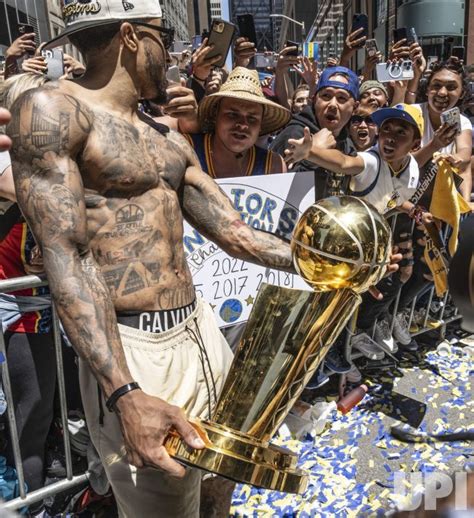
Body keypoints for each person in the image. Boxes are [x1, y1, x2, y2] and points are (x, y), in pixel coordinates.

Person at [6, 2, 298, 516]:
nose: (173, 55)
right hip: (135, 349)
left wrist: (321, 262)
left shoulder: (162, 132)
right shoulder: (53, 110)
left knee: (219, 486)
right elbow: (67, 257)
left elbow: (236, 234)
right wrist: (125, 394)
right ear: (132, 37)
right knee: (166, 504)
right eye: (164, 38)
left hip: (200, 329)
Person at [284, 104, 430, 358]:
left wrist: (410, 209)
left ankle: (335, 347)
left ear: (415, 145)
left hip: (365, 242)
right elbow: (343, 162)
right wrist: (310, 152)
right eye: (386, 129)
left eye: (401, 132)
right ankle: (317, 355)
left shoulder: (412, 171)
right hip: (339, 243)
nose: (391, 136)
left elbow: (391, 198)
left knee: (355, 298)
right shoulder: (371, 162)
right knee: (326, 302)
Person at [271, 66, 359, 200]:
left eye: (342, 98)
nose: (332, 104)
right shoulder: (295, 135)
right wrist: (312, 153)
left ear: (355, 108)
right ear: (314, 100)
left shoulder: (347, 143)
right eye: (326, 96)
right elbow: (278, 194)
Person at [187, 66, 289, 178]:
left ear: (261, 125)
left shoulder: (272, 166)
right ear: (216, 115)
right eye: (232, 114)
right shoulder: (187, 151)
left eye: (252, 118)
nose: (243, 124)